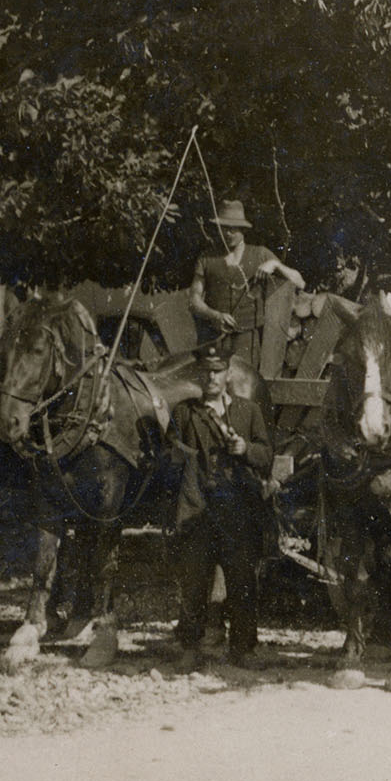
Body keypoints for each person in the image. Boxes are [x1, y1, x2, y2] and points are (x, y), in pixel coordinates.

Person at [170, 343, 277, 669]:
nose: (212, 377)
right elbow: (169, 456)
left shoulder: (247, 411)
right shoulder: (185, 413)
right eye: (205, 371)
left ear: (229, 374)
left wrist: (244, 448)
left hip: (238, 508)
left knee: (242, 579)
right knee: (194, 579)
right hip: (199, 506)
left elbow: (266, 455)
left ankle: (242, 648)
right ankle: (190, 647)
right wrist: (182, 457)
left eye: (218, 371)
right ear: (198, 375)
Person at [189, 199, 305, 368]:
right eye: (224, 228)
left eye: (233, 228)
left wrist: (275, 265)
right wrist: (214, 315)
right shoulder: (207, 258)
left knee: (244, 388)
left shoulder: (260, 254)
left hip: (247, 341)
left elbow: (300, 282)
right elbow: (193, 301)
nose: (228, 233)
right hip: (213, 339)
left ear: (243, 230)